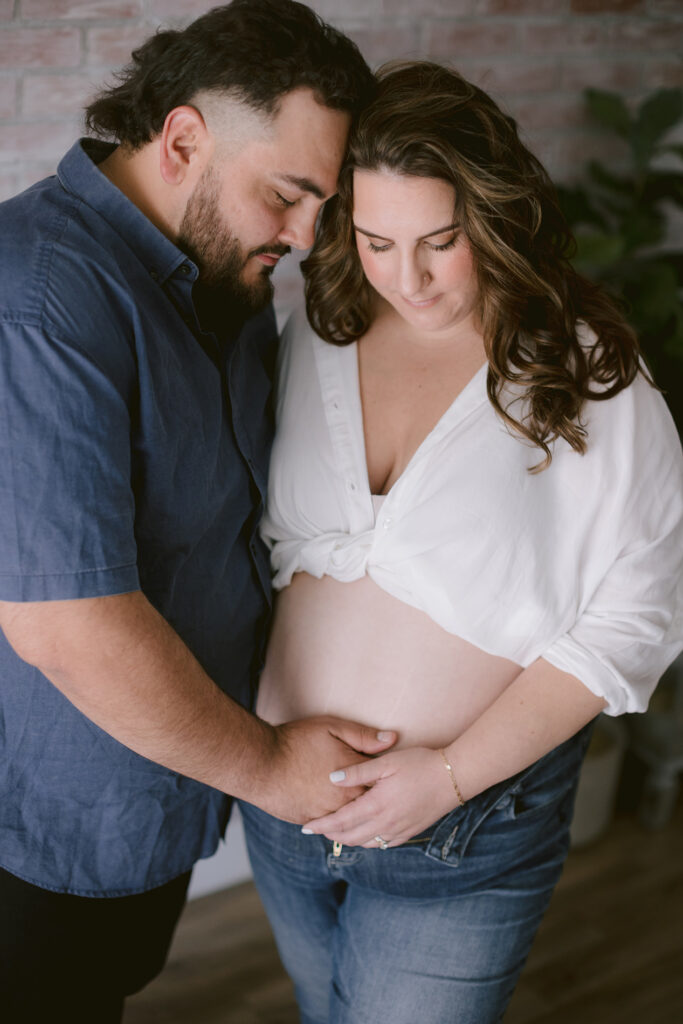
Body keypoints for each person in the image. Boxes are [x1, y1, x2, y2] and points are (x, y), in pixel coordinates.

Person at [238, 60, 683, 1024]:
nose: (411, 279)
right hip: (283, 806)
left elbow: (637, 617)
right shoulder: (318, 325)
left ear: (492, 213)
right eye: (376, 241)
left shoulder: (581, 371)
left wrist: (445, 777)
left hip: (465, 827)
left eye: (442, 241)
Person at [0, 4, 397, 1021]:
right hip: (41, 832)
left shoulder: (221, 276)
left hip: (160, 794)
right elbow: (62, 618)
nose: (307, 238)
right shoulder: (42, 301)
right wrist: (267, 766)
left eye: (325, 206)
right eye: (288, 195)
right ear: (182, 140)